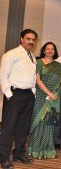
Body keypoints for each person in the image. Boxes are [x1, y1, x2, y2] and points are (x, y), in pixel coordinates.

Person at [0, 29, 38, 169]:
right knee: (8, 128)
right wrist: (9, 94)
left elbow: (32, 77)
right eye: (28, 38)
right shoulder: (11, 54)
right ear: (22, 39)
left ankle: (19, 154)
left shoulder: (32, 56)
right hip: (14, 95)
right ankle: (3, 158)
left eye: (33, 39)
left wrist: (32, 92)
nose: (31, 41)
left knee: (23, 127)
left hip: (28, 95)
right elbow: (3, 75)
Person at [28, 42, 61, 159]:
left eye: (52, 49)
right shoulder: (37, 62)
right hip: (40, 97)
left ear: (55, 51)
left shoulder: (59, 66)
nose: (50, 51)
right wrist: (49, 93)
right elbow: (37, 80)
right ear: (44, 50)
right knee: (37, 121)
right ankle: (34, 150)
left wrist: (55, 94)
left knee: (49, 124)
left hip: (54, 98)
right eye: (47, 49)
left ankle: (48, 149)